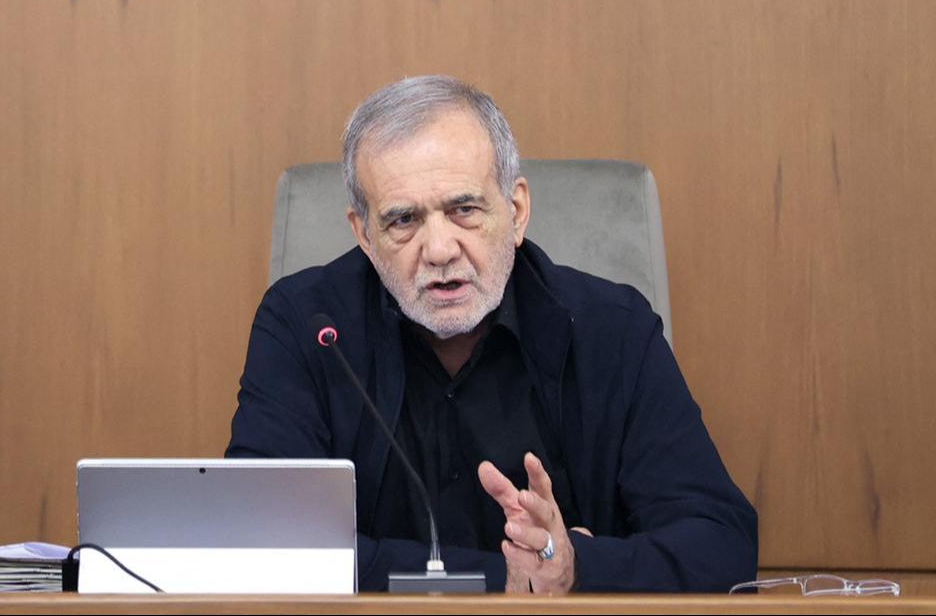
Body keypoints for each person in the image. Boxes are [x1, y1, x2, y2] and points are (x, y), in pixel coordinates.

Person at [226, 75, 758, 593]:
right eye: (403, 220)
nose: (439, 250)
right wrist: (503, 577)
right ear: (365, 234)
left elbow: (722, 545)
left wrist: (577, 567)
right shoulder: (307, 328)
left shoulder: (611, 330)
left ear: (517, 210)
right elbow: (262, 543)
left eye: (464, 210)